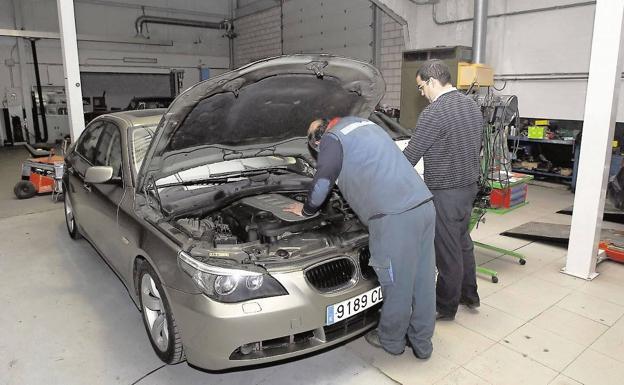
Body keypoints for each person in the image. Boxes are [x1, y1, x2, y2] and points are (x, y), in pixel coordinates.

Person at [284, 116, 436, 359]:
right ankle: (422, 343)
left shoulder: (332, 140)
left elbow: (323, 182)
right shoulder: (363, 124)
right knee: (423, 279)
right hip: (423, 205)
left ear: (317, 142)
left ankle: (391, 340)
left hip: (394, 216)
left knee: (397, 285)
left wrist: (306, 210)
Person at [403, 59, 484, 320]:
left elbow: (411, 156)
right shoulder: (471, 105)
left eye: (420, 87)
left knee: (447, 251)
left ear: (431, 81)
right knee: (462, 244)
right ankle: (469, 294)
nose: (421, 93)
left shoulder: (434, 112)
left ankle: (445, 307)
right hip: (468, 187)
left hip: (445, 192)